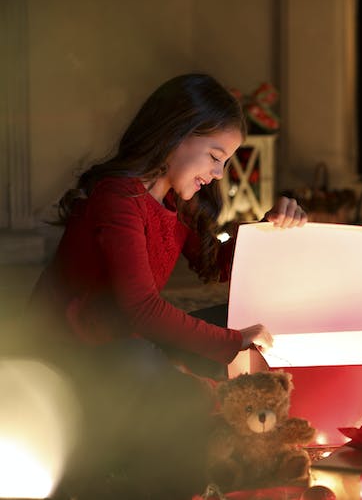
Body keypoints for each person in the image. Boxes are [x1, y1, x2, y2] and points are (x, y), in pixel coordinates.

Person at [24, 73, 306, 499]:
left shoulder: (175, 200)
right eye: (215, 156)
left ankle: (200, 402)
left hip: (130, 340)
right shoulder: (118, 199)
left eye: (226, 162)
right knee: (158, 363)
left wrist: (271, 229)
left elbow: (217, 266)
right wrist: (230, 343)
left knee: (232, 326)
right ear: (176, 133)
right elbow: (142, 308)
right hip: (75, 353)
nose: (217, 173)